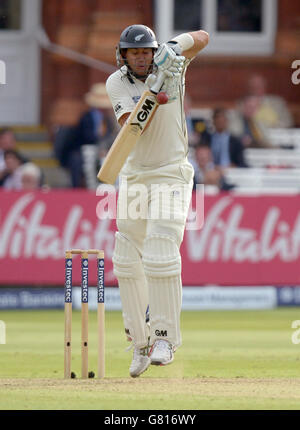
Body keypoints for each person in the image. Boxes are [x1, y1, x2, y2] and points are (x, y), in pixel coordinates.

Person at [105, 24, 209, 377]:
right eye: (134, 53)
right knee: (125, 259)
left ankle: (164, 337)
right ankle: (140, 342)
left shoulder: (172, 63)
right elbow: (133, 128)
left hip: (171, 172)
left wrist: (173, 47)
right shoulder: (116, 84)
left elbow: (203, 37)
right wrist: (154, 89)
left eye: (147, 51)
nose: (141, 57)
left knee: (161, 248)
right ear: (123, 56)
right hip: (134, 176)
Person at [54, 83, 115, 188]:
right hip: (85, 148)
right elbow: (86, 136)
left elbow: (110, 137)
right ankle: (80, 187)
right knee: (80, 159)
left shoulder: (109, 119)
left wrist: (104, 148)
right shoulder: (86, 116)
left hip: (104, 150)